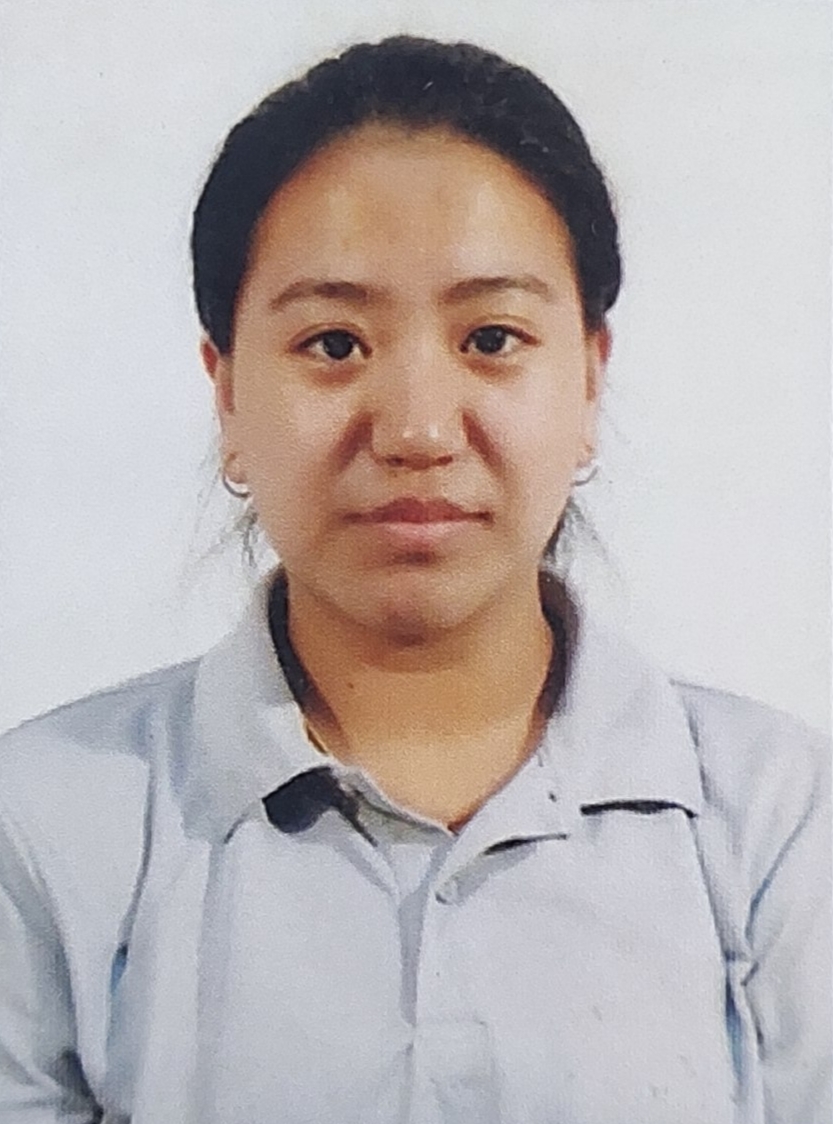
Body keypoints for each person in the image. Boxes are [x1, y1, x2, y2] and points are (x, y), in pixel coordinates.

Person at [0, 35, 828, 1124]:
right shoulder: (45, 823)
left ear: (589, 379)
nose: (418, 429)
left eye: (491, 336)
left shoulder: (778, 823)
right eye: (334, 344)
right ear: (227, 394)